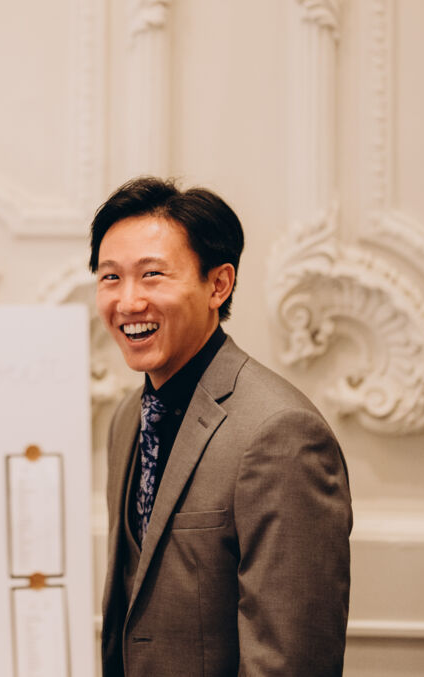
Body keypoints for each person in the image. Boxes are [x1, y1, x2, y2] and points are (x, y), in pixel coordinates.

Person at [93, 176, 352, 676]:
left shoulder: (282, 433)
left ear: (218, 285)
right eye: (110, 278)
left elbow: (290, 659)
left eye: (152, 275)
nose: (127, 302)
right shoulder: (127, 418)